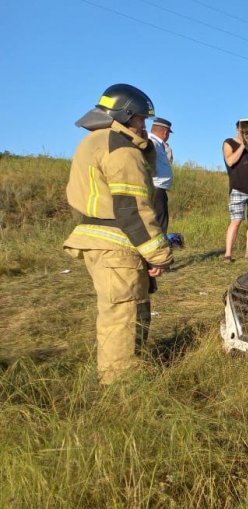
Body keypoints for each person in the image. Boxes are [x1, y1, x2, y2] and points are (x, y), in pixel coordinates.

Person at [63, 84, 172, 385]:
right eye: (140, 119)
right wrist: (159, 254)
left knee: (126, 308)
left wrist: (145, 147)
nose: (144, 126)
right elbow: (132, 209)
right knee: (122, 314)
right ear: (125, 116)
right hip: (117, 244)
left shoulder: (94, 141)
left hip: (102, 241)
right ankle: (120, 385)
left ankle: (127, 368)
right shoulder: (121, 150)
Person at [223, 121, 248, 261]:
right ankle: (228, 254)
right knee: (236, 221)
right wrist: (243, 146)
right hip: (238, 188)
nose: (244, 133)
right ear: (237, 129)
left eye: (247, 131)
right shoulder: (229, 143)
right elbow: (230, 161)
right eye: (242, 130)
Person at [147, 117, 174, 236]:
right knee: (159, 222)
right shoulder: (152, 142)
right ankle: (159, 252)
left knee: (159, 220)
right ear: (165, 132)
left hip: (158, 188)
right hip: (155, 187)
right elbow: (146, 161)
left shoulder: (158, 143)